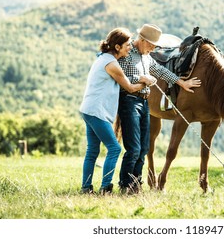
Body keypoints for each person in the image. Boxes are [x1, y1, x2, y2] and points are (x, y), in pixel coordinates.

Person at [117, 23, 201, 194]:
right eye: (151, 45)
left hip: (143, 102)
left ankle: (136, 183)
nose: (153, 48)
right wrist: (143, 78)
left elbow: (161, 71)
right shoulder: (126, 55)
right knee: (133, 147)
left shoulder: (147, 56)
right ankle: (125, 185)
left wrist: (181, 82)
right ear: (141, 40)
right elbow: (120, 76)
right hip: (129, 101)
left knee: (144, 147)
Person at [79, 28, 147, 195]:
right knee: (114, 148)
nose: (130, 47)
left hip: (89, 109)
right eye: (127, 45)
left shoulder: (103, 58)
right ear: (117, 47)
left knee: (93, 150)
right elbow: (130, 88)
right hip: (96, 110)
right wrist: (146, 83)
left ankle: (86, 188)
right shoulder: (111, 64)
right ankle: (105, 187)